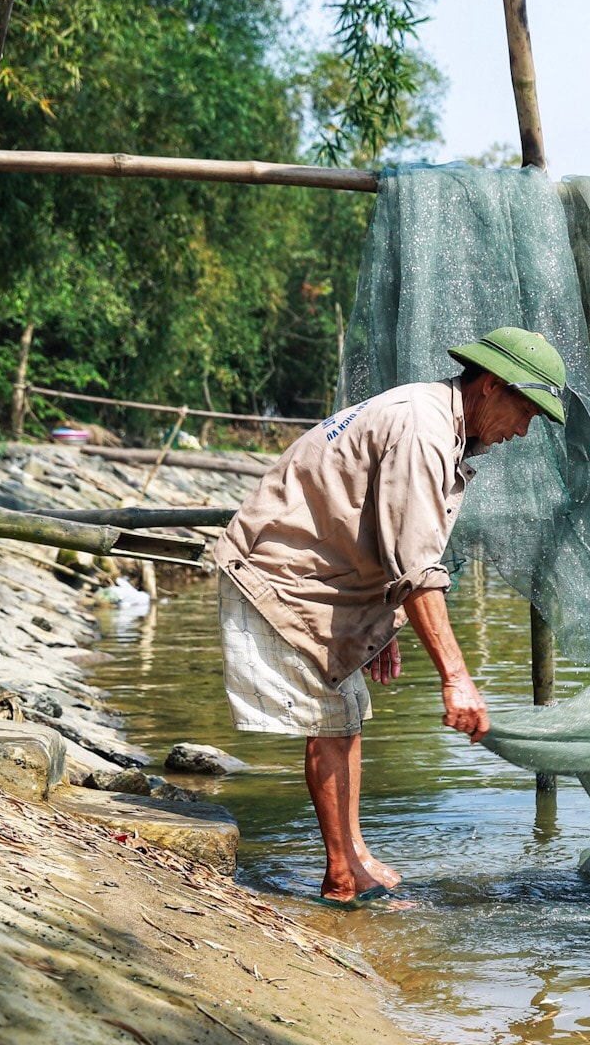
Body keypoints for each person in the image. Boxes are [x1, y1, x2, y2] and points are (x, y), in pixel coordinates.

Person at [213, 327, 568, 905]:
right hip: (282, 573)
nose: (522, 431)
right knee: (330, 723)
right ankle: (341, 877)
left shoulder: (435, 421)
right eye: (524, 411)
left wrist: (379, 623)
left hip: (327, 580)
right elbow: (418, 564)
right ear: (490, 387)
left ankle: (351, 856)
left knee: (346, 716)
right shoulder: (424, 430)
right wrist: (457, 677)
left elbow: (389, 534)